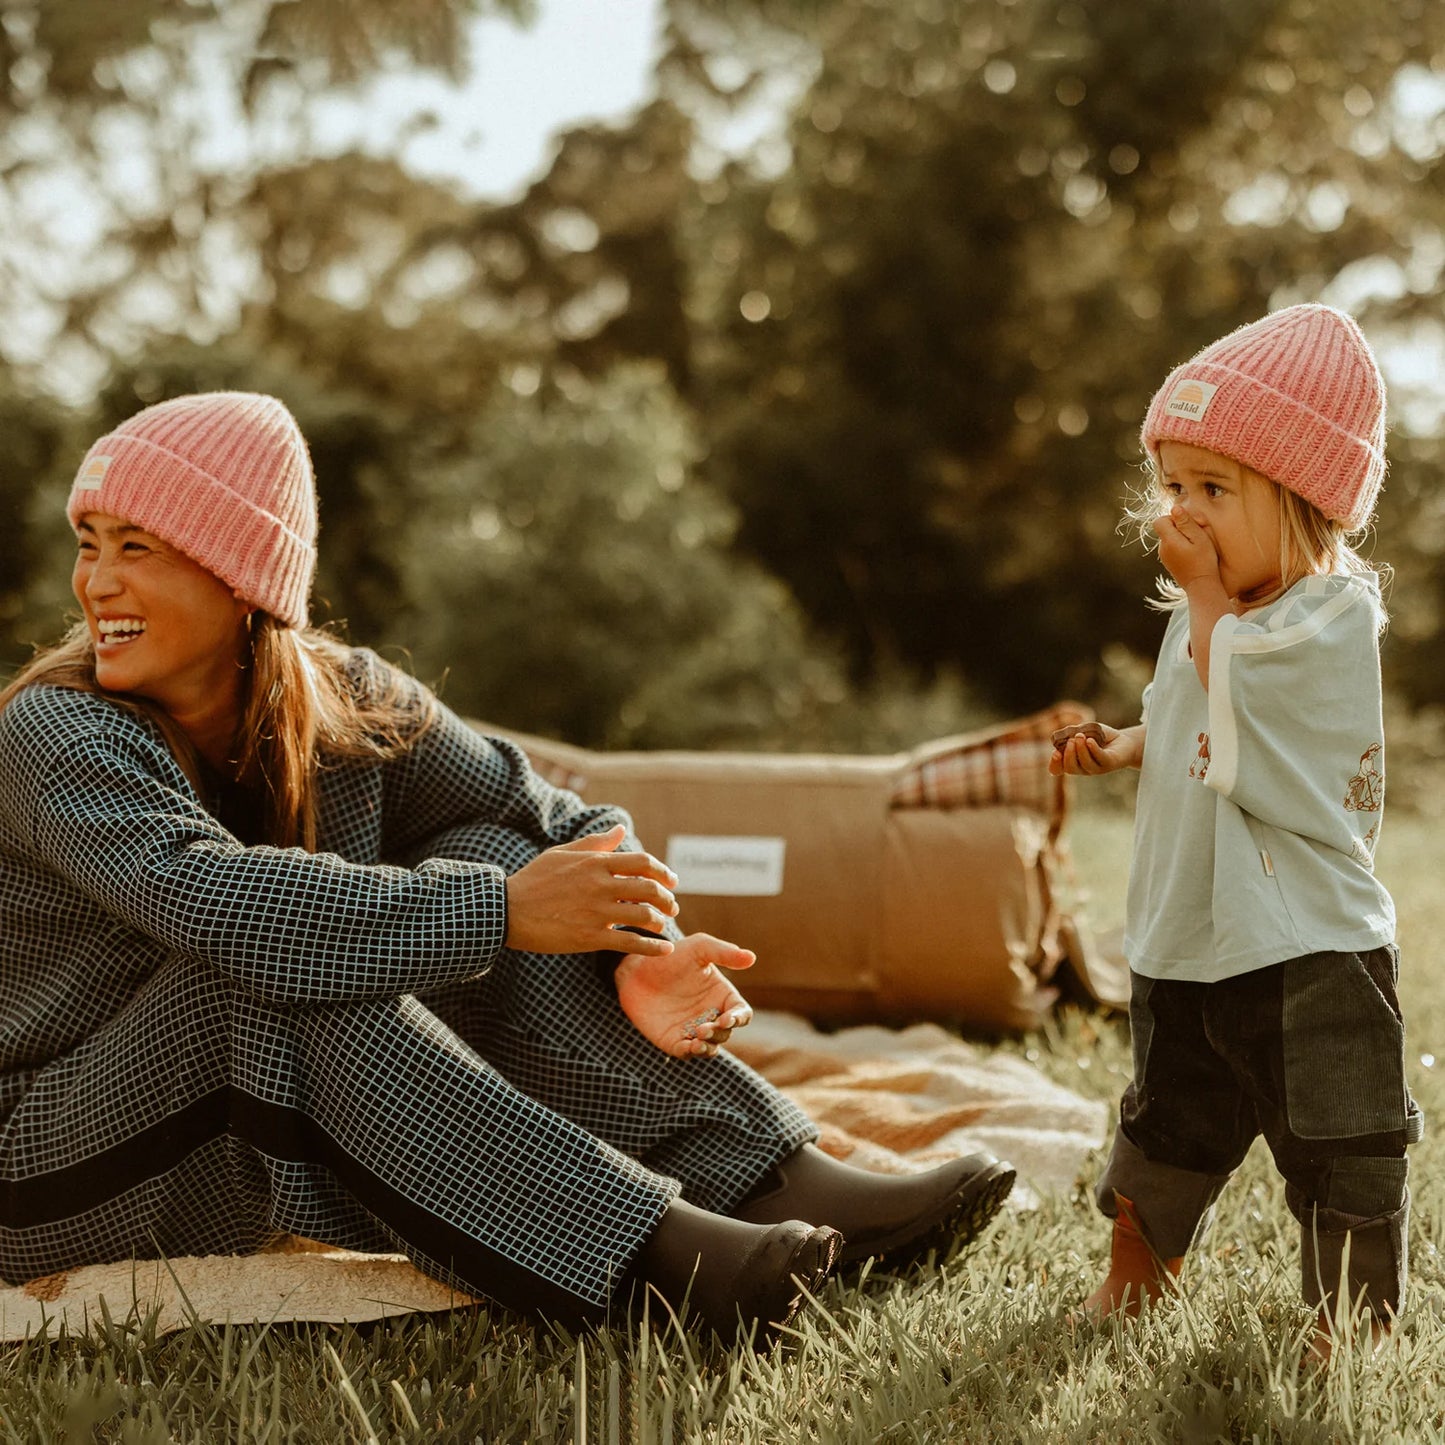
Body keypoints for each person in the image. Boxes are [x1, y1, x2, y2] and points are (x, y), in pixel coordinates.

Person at [0, 391, 1015, 1346]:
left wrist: (636, 947)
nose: (95, 583)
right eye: (90, 547)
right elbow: (212, 898)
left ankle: (770, 1176)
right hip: (44, 1156)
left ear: (241, 577)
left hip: (211, 1131)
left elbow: (553, 818)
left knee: (487, 853)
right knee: (287, 965)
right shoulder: (56, 731)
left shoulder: (344, 699)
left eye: (135, 548)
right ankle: (655, 1262)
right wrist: (500, 910)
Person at [1051, 303, 1422, 1356]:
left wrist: (1207, 607)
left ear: (1302, 500)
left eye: (1213, 488)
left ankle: (1347, 1324)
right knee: (1163, 1126)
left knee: (1341, 1147)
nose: (1182, 510)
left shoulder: (1325, 619)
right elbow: (1197, 715)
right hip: (1190, 933)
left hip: (1307, 946)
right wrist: (1127, 742)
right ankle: (1135, 1276)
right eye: (1172, 484)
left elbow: (1259, 715)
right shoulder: (1200, 615)